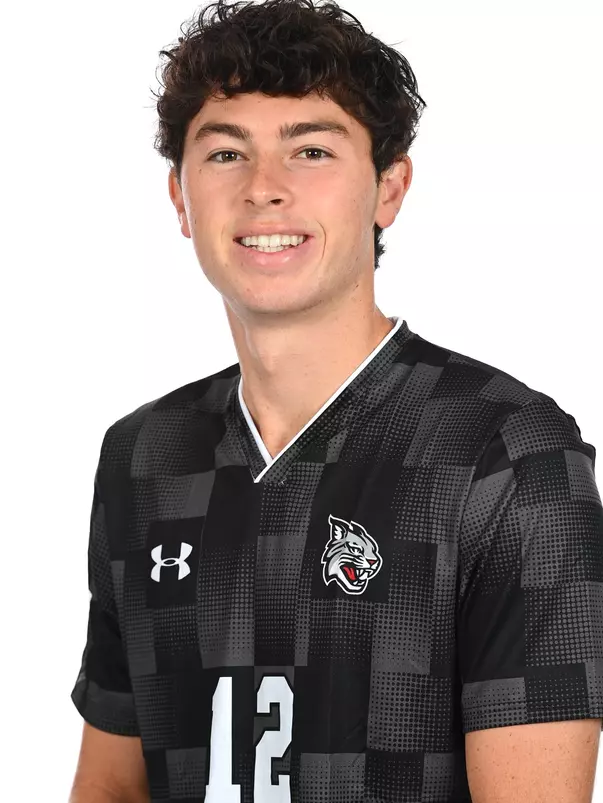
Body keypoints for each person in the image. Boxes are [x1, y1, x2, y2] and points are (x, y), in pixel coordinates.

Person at [68, 0, 603, 801]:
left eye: (310, 150)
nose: (264, 190)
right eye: (224, 154)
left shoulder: (507, 452)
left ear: (388, 189)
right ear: (179, 197)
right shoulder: (143, 454)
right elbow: (110, 786)